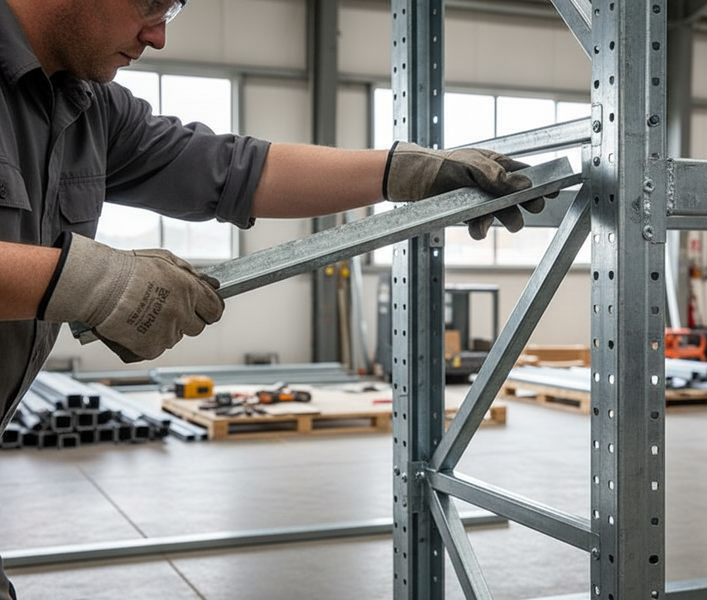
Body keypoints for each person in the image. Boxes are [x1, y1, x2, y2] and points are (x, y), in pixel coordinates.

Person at [0, 0, 545, 596]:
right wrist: (95, 282)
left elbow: (237, 169)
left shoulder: (86, 106)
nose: (157, 36)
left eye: (171, 12)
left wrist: (406, 172)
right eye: (151, 3)